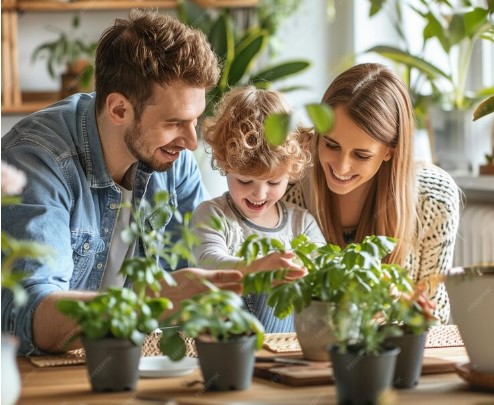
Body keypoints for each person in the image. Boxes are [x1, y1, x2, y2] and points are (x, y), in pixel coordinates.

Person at [1, 10, 244, 356]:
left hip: (132, 361)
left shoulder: (172, 160)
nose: (191, 142)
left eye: (194, 121)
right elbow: (28, 315)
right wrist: (150, 299)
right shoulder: (38, 160)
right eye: (175, 123)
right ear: (118, 109)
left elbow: (196, 264)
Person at [284, 63, 460, 324]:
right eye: (331, 144)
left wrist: (398, 300)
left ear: (390, 150)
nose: (341, 167)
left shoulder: (434, 198)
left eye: (361, 155)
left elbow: (437, 315)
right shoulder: (288, 184)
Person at [190, 86, 326, 333]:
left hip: (290, 354)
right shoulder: (212, 216)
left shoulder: (302, 224)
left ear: (291, 172)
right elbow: (208, 262)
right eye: (244, 181)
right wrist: (256, 268)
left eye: (274, 182)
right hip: (228, 350)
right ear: (224, 163)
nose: (259, 194)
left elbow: (324, 276)